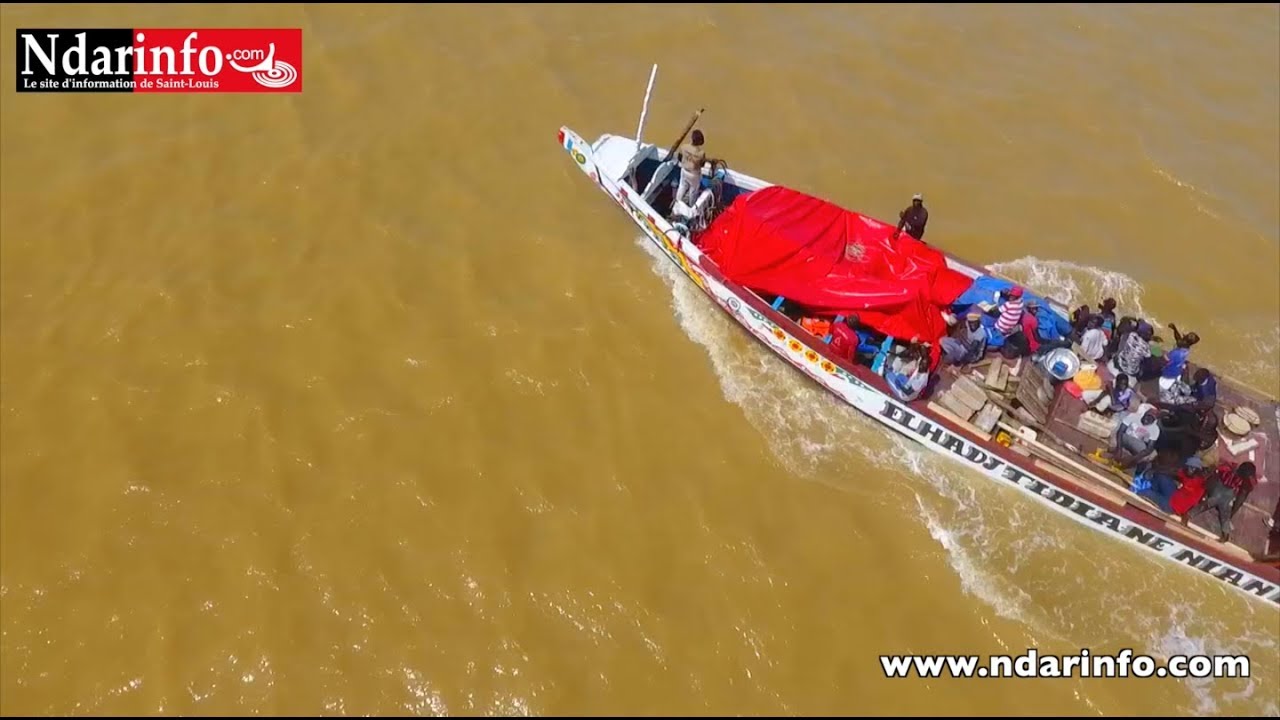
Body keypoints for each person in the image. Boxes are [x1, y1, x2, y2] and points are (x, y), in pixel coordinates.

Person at [1183, 461, 1257, 543]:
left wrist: (1232, 511)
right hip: (1220, 490)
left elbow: (1241, 498)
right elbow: (1214, 478)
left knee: (1222, 511)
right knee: (1215, 506)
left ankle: (1225, 535)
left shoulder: (1245, 481)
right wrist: (1207, 491)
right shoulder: (1229, 470)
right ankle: (1187, 516)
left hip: (1226, 494)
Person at [1108, 403, 1161, 468]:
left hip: (1137, 444)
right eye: (1148, 416)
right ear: (1144, 414)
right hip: (1125, 438)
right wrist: (1119, 449)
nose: (1148, 419)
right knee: (1113, 441)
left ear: (1154, 420)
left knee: (1152, 455)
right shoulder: (1133, 416)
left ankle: (1128, 461)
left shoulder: (1155, 429)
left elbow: (1149, 449)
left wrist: (1133, 459)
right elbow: (1120, 431)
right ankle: (1119, 452)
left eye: (1152, 418)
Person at [1158, 324, 1200, 395]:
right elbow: (1178, 339)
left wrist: (1155, 350)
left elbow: (1165, 360)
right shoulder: (1185, 348)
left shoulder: (1177, 353)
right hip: (1177, 370)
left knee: (1156, 354)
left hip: (1167, 375)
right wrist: (1174, 329)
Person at [1110, 321, 1153, 386]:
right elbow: (1150, 356)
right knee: (1145, 363)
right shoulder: (1146, 347)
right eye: (1150, 334)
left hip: (1120, 363)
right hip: (1131, 371)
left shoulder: (1131, 335)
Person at [675, 130, 708, 208]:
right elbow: (702, 165)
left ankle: (677, 202)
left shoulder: (684, 147)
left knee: (682, 186)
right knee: (693, 191)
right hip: (694, 174)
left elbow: (679, 158)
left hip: (684, 170)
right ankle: (691, 207)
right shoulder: (701, 153)